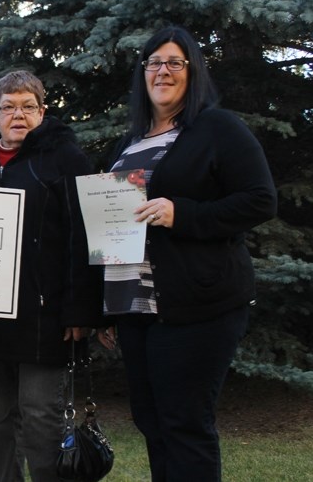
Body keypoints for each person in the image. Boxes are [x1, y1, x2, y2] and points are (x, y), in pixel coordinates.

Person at [97, 26, 277, 481]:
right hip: (136, 306)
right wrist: (107, 304)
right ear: (143, 74)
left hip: (198, 303)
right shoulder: (130, 141)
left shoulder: (217, 127)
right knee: (153, 423)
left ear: (191, 71)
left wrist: (184, 213)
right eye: (154, 63)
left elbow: (260, 200)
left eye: (174, 62)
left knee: (185, 425)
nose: (163, 71)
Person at [0, 70, 103, 482]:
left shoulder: (66, 159)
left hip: (46, 317)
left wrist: (79, 310)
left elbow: (85, 235)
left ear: (43, 112)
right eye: (9, 107)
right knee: (1, 418)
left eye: (28, 107)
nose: (19, 115)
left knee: (40, 417)